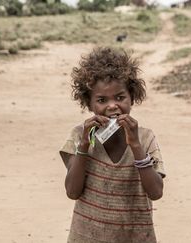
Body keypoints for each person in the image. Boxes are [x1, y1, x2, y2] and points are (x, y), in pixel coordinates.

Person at [59, 47, 166, 243]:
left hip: (135, 237)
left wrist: (135, 145)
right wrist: (84, 144)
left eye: (120, 97)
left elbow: (156, 192)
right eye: (101, 100)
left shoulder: (145, 138)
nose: (112, 106)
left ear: (132, 97)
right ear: (89, 104)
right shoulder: (79, 136)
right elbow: (72, 191)